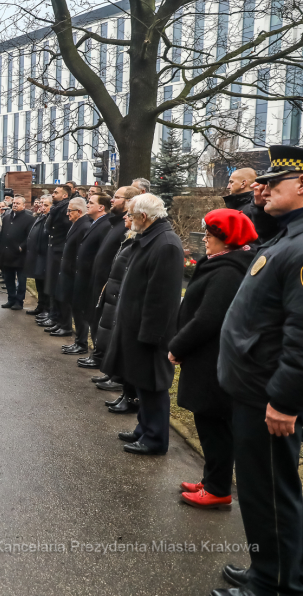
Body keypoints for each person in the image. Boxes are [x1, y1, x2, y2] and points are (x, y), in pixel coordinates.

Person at [216, 146, 303, 596]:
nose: (262, 191)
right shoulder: (286, 233)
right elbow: (261, 221)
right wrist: (263, 200)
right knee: (256, 491)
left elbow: (302, 335)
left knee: (271, 494)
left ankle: (279, 585)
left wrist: (285, 401)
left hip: (270, 396)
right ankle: (264, 569)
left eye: (274, 184)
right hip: (253, 389)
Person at [168, 209, 256, 511]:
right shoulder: (222, 264)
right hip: (207, 358)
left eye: (211, 234)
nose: (205, 238)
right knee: (208, 423)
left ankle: (218, 488)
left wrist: (177, 345)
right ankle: (211, 479)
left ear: (226, 239)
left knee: (214, 425)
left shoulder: (228, 271)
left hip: (212, 359)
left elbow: (208, 319)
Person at [109, 193, 184, 455]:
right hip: (137, 329)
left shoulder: (165, 245)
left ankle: (154, 439)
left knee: (153, 387)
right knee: (143, 383)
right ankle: (144, 429)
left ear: (144, 216)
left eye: (131, 214)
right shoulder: (150, 239)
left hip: (151, 334)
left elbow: (162, 299)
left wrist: (150, 335)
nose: (127, 219)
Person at [79, 187, 136, 372]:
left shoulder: (125, 226)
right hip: (101, 281)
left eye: (117, 198)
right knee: (97, 322)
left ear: (129, 201)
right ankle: (98, 355)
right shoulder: (116, 224)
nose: (112, 200)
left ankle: (102, 359)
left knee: (105, 325)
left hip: (109, 285)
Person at [94, 210, 138, 406]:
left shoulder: (138, 240)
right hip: (114, 291)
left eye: (129, 215)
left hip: (121, 294)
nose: (125, 218)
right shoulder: (128, 238)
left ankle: (120, 382)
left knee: (117, 339)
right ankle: (114, 376)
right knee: (111, 335)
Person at [67, 194, 112, 355]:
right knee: (79, 310)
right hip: (83, 275)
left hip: (90, 277)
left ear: (101, 207)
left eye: (91, 203)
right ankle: (80, 342)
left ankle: (88, 348)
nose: (88, 205)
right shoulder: (94, 223)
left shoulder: (105, 225)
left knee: (89, 314)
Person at [51, 197, 92, 341]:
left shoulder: (84, 226)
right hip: (67, 272)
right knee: (65, 301)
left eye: (70, 211)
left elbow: (82, 253)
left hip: (74, 274)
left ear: (79, 211)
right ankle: (64, 325)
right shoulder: (76, 224)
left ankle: (80, 341)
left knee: (77, 310)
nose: (67, 213)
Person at [39, 185, 72, 331]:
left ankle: (59, 319)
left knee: (57, 287)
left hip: (59, 251)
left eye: (56, 192)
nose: (53, 194)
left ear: (65, 196)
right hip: (54, 250)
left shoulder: (64, 209)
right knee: (52, 285)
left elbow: (62, 229)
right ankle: (54, 316)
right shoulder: (57, 208)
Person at [0, 195, 34, 310]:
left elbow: (30, 236)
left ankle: (19, 301)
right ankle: (11, 299)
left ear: (24, 206)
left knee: (21, 280)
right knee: (8, 279)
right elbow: (3, 234)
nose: (15, 205)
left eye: (18, 203)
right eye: (14, 203)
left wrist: (21, 247)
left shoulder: (29, 219)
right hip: (7, 253)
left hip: (20, 255)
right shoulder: (7, 218)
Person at [25, 197, 50, 311]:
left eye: (45, 205)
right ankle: (41, 306)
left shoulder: (49, 219)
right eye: (41, 204)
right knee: (38, 282)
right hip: (37, 255)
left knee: (44, 284)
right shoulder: (41, 216)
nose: (41, 207)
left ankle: (45, 308)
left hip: (44, 256)